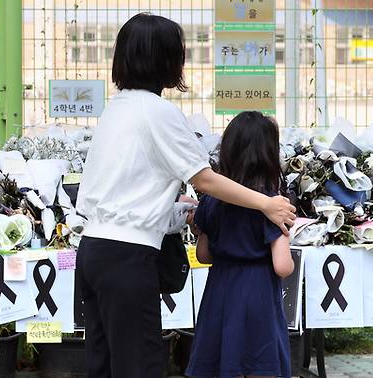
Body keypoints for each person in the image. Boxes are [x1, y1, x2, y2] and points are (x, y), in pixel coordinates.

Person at [75, 14, 296, 378]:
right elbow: (206, 180)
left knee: (104, 365)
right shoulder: (158, 112)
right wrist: (266, 203)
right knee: (139, 366)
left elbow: (127, 188)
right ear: (165, 59)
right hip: (127, 258)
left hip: (94, 250)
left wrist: (171, 209)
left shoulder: (116, 108)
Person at [186, 111, 294, 378]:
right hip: (258, 295)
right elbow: (282, 266)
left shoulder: (212, 201)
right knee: (259, 363)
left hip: (220, 292)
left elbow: (203, 254)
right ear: (269, 153)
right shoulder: (272, 204)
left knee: (222, 361)